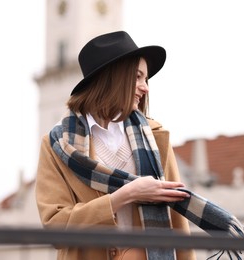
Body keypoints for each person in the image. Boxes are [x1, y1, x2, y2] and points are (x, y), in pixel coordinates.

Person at [35, 31, 197, 260]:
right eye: (137, 77)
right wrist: (124, 195)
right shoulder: (55, 146)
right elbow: (55, 228)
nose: (145, 88)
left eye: (146, 79)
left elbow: (177, 224)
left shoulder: (155, 137)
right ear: (113, 77)